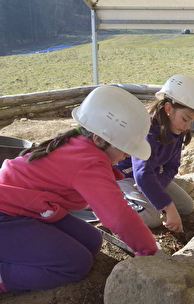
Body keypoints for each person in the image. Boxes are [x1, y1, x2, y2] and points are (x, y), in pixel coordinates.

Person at [0, 85, 158, 293]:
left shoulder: (82, 145)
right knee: (75, 264)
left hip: (28, 208)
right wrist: (149, 250)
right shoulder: (89, 163)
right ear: (100, 139)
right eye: (125, 147)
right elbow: (118, 216)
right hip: (7, 215)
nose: (129, 155)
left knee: (92, 240)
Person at [116, 74, 194, 233]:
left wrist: (157, 183)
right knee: (152, 216)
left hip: (147, 177)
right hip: (124, 176)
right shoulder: (147, 130)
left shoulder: (177, 131)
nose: (187, 126)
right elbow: (142, 172)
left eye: (191, 121)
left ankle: (147, 196)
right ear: (168, 109)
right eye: (185, 118)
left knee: (186, 206)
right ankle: (109, 205)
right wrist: (168, 207)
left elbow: (172, 166)